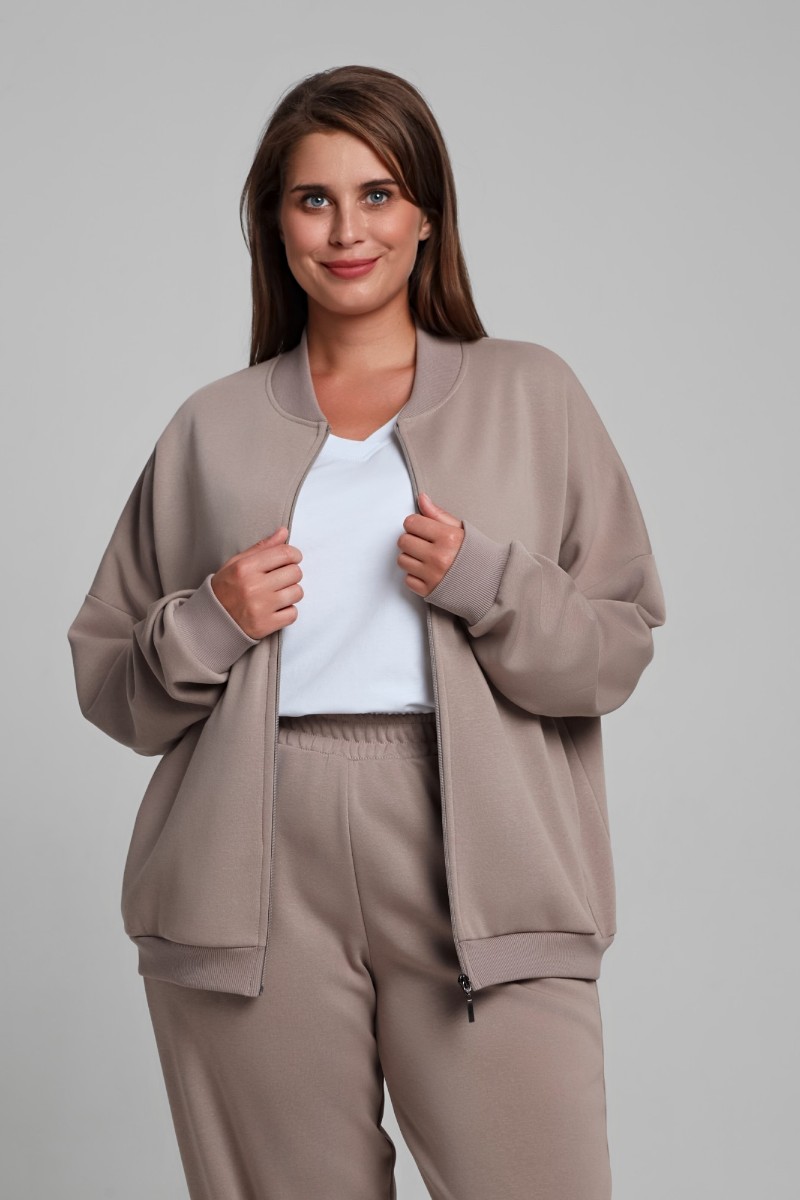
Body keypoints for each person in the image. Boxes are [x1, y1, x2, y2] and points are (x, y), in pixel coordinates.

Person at [67, 63, 666, 1200]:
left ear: (427, 213)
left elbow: (615, 644)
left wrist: (490, 582)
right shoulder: (210, 427)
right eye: (314, 199)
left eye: (378, 194)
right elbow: (110, 680)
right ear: (274, 223)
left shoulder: (531, 394)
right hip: (248, 869)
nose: (348, 231)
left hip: (484, 858)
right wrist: (210, 621)